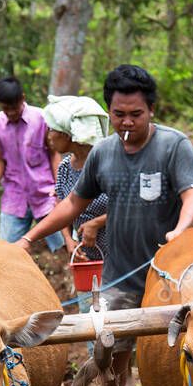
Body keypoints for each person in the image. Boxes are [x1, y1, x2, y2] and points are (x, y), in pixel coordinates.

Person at [17, 65, 193, 386]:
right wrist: (29, 237)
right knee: (111, 355)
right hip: (119, 275)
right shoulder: (104, 153)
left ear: (151, 110)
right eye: (119, 115)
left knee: (174, 357)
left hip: (168, 276)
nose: (127, 122)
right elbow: (73, 204)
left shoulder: (172, 146)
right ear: (110, 113)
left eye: (136, 114)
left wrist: (181, 229)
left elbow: (191, 194)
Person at [0, 76, 68, 251]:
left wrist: (60, 188)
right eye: (6, 109)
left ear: (23, 98)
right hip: (14, 197)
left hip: (45, 195)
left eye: (15, 107)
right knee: (6, 251)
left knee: (64, 246)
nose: (11, 113)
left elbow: (53, 154)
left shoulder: (41, 118)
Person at [42, 95, 111, 267]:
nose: (48, 136)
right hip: (86, 258)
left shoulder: (109, 162)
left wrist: (97, 223)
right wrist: (68, 240)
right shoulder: (65, 167)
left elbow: (129, 206)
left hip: (119, 256)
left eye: (52, 129)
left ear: (68, 134)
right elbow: (61, 205)